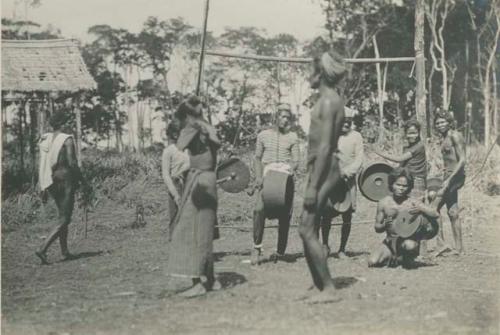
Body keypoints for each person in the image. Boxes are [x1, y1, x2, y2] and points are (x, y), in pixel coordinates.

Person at [299, 50, 346, 303]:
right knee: (305, 228)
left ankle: (328, 289)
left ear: (321, 74)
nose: (308, 77)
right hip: (319, 167)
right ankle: (319, 286)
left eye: (310, 71)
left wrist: (312, 187)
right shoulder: (324, 100)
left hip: (326, 168)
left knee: (306, 229)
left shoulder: (329, 101)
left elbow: (326, 147)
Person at [166, 95, 221, 298]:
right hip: (207, 180)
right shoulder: (205, 127)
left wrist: (193, 125)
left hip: (201, 182)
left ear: (188, 115)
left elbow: (179, 146)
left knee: (191, 231)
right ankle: (212, 281)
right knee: (203, 231)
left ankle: (198, 283)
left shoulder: (198, 127)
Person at [36, 109, 91, 265]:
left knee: (62, 215)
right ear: (64, 123)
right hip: (66, 179)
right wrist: (83, 181)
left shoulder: (46, 139)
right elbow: (72, 163)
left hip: (52, 180)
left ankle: (65, 252)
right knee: (65, 219)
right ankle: (43, 248)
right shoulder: (67, 140)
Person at [251, 103, 300, 265]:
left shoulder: (293, 137)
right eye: (282, 116)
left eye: (288, 117)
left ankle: (280, 251)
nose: (285, 120)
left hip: (285, 177)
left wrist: (290, 169)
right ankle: (256, 248)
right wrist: (258, 177)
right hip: (267, 175)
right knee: (259, 210)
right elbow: (257, 158)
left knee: (285, 214)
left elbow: (296, 160)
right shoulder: (263, 135)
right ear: (275, 117)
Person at [368, 167, 439, 268]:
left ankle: (405, 258)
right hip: (389, 242)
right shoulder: (383, 202)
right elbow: (377, 228)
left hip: (406, 242)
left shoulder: (413, 202)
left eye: (404, 186)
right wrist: (385, 224)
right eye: (398, 185)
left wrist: (421, 209)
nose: (401, 188)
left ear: (409, 187)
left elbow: (435, 214)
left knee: (410, 246)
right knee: (373, 262)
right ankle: (395, 258)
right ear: (392, 184)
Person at [320, 113, 364, 259]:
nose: (346, 123)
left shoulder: (356, 136)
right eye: (342, 121)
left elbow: (359, 158)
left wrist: (347, 172)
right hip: (331, 180)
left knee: (347, 215)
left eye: (348, 121)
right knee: (326, 213)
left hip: (348, 181)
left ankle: (342, 249)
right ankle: (325, 245)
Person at [433, 111, 466, 256]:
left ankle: (441, 245)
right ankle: (459, 249)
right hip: (447, 175)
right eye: (437, 123)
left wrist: (448, 180)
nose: (440, 125)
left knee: (433, 207)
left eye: (442, 122)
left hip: (455, 177)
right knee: (453, 212)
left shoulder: (455, 135)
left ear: (449, 122)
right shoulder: (444, 137)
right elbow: (449, 159)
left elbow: (462, 160)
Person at [375, 119, 427, 200]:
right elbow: (402, 163)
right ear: (406, 133)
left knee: (416, 206)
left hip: (417, 180)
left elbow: (399, 159)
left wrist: (380, 153)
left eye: (415, 133)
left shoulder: (419, 146)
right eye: (410, 133)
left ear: (418, 133)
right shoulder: (407, 147)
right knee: (405, 205)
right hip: (407, 178)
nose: (412, 136)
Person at [161, 121, 190, 239]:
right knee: (176, 218)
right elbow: (166, 175)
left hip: (190, 184)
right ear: (174, 134)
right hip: (176, 186)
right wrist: (175, 195)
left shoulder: (189, 149)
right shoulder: (168, 151)